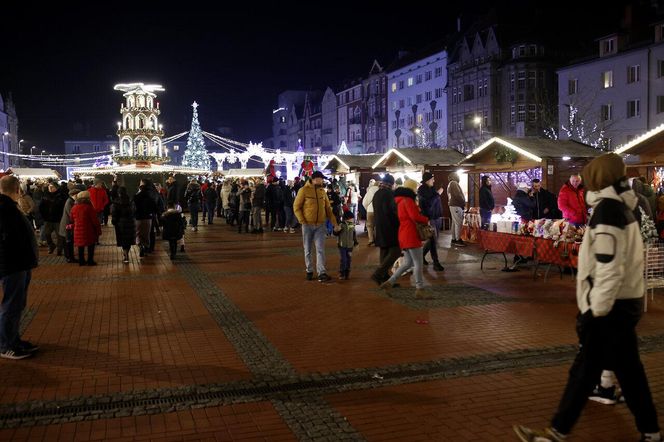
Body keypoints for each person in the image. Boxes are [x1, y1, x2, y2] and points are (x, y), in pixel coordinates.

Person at [514, 153, 661, 442]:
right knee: (629, 373)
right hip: (624, 301)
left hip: (610, 307)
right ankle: (651, 431)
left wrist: (595, 310)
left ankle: (556, 432)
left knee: (584, 372)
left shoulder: (608, 210)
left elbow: (608, 267)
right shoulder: (622, 206)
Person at [0, 176, 39, 360]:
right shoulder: (5, 208)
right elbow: (8, 239)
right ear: (17, 189)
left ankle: (14, 340)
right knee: (11, 305)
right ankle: (5, 345)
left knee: (17, 304)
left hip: (19, 263)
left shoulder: (9, 207)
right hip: (12, 264)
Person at [380, 178, 430, 298]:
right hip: (411, 234)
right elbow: (415, 216)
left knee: (407, 263)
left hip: (403, 233)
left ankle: (390, 282)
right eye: (415, 188)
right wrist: (426, 219)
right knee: (418, 263)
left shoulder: (399, 201)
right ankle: (419, 289)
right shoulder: (408, 200)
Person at [293, 171, 338, 282]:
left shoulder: (322, 192)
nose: (322, 181)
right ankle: (309, 270)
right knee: (307, 249)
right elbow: (296, 207)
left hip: (320, 225)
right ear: (314, 179)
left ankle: (321, 272)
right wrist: (302, 220)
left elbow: (328, 209)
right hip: (307, 224)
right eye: (320, 179)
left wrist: (334, 223)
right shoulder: (303, 190)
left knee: (320, 250)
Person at [370, 174, 401, 286]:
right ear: (391, 184)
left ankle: (384, 277)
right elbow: (391, 212)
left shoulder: (377, 193)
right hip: (390, 227)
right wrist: (398, 223)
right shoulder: (389, 194)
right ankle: (379, 274)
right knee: (396, 250)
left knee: (384, 250)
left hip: (379, 226)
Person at [418, 172, 445, 271]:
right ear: (427, 180)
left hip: (437, 217)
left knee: (434, 239)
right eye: (432, 179)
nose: (434, 181)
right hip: (430, 218)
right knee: (433, 240)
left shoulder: (431, 189)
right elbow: (429, 203)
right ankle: (436, 263)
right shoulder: (422, 190)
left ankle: (421, 255)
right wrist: (438, 194)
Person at [70, 191, 102, 266]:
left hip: (77, 230)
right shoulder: (89, 207)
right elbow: (95, 220)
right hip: (88, 230)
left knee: (80, 246)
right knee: (90, 246)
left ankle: (81, 261)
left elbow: (71, 219)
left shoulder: (74, 207)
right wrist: (98, 230)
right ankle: (90, 261)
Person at [133, 179, 158, 257]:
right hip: (148, 217)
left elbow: (133, 207)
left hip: (138, 217)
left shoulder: (136, 196)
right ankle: (146, 247)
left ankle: (140, 245)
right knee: (147, 234)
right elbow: (154, 206)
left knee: (138, 233)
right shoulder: (151, 196)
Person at [111, 187, 136, 264]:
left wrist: (114, 221)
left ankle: (125, 255)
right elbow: (134, 210)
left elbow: (114, 213)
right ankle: (126, 253)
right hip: (130, 222)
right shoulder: (130, 201)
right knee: (128, 239)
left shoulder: (116, 202)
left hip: (120, 223)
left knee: (122, 239)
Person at [334, 210, 358, 280]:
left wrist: (356, 242)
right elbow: (336, 233)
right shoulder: (341, 225)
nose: (353, 219)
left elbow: (354, 235)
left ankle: (347, 273)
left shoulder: (352, 225)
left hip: (350, 246)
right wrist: (335, 230)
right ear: (347, 219)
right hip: (342, 246)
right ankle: (342, 273)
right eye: (352, 218)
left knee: (349, 260)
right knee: (343, 259)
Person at [59, 189, 80, 263]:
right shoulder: (70, 202)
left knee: (68, 242)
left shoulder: (71, 201)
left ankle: (69, 257)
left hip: (67, 225)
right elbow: (71, 213)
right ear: (74, 195)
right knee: (68, 242)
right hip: (67, 225)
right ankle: (69, 257)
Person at [447, 172, 466, 246]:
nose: (459, 177)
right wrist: (463, 203)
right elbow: (458, 195)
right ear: (454, 177)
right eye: (457, 176)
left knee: (454, 223)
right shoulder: (454, 183)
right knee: (458, 223)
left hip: (452, 205)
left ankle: (454, 239)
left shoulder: (450, 184)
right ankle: (458, 240)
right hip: (456, 205)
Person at [362, 179, 378, 246]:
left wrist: (367, 208)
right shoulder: (381, 190)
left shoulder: (370, 190)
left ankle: (371, 240)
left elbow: (365, 202)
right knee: (377, 226)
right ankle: (378, 240)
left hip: (370, 210)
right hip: (378, 211)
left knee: (370, 226)